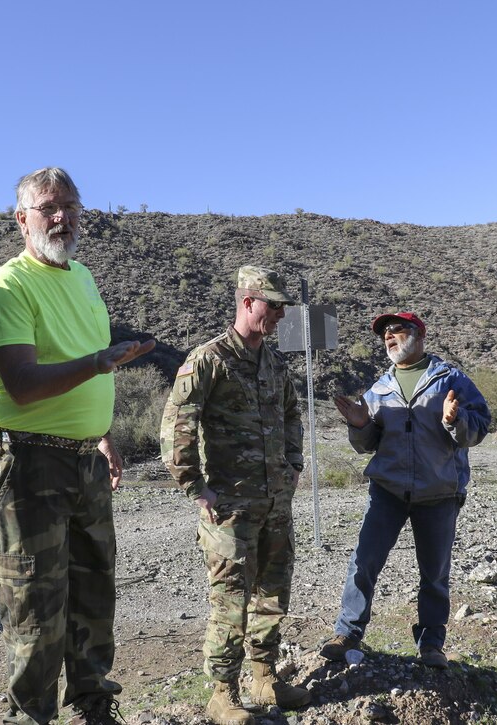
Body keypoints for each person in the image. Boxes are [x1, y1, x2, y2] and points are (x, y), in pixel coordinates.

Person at [0, 167, 154, 725]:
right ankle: (33, 715)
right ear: (21, 219)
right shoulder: (7, 285)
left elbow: (81, 366)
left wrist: (101, 437)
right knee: (34, 604)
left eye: (71, 206)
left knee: (95, 589)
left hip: (84, 460)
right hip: (28, 461)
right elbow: (24, 387)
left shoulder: (84, 279)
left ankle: (94, 705)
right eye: (49, 207)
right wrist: (101, 362)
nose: (62, 217)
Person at [160, 265, 310, 725]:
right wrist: (194, 486)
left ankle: (264, 676)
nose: (281, 315)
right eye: (273, 306)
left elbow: (290, 415)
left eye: (285, 308)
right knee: (229, 599)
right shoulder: (209, 359)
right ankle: (222, 692)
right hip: (228, 506)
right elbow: (176, 424)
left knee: (272, 591)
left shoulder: (272, 361)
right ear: (248, 302)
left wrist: (293, 466)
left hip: (274, 503)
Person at [319, 312, 491, 668]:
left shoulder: (451, 379)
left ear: (419, 334)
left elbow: (480, 427)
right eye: (384, 333)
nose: (388, 337)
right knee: (363, 562)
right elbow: (369, 444)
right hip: (388, 491)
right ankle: (348, 632)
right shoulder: (379, 387)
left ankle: (431, 644)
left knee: (434, 574)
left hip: (439, 492)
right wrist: (360, 424)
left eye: (396, 330)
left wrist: (454, 419)